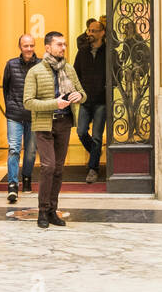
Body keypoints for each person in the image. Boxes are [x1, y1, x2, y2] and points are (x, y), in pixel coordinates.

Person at [23, 31, 85, 229]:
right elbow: (28, 102)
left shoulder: (69, 69)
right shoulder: (35, 71)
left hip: (64, 123)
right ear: (48, 48)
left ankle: (52, 211)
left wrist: (79, 97)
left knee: (58, 169)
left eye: (64, 44)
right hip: (44, 124)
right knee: (48, 167)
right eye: (59, 44)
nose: (63, 47)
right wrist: (54, 104)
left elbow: (82, 92)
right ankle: (42, 210)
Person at [1, 34, 38, 205]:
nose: (29, 49)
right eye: (25, 46)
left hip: (33, 115)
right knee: (14, 149)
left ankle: (27, 177)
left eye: (31, 45)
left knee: (30, 152)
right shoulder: (11, 64)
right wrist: (10, 106)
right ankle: (12, 185)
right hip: (15, 115)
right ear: (20, 47)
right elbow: (6, 88)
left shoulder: (40, 65)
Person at [74, 19, 107, 183]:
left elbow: (116, 72)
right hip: (85, 100)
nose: (90, 34)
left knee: (97, 136)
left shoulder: (108, 51)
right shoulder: (82, 51)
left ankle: (93, 168)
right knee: (80, 132)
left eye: (94, 31)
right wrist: (78, 92)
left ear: (102, 33)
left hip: (102, 100)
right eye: (89, 30)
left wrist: (107, 88)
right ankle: (96, 152)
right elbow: (76, 73)